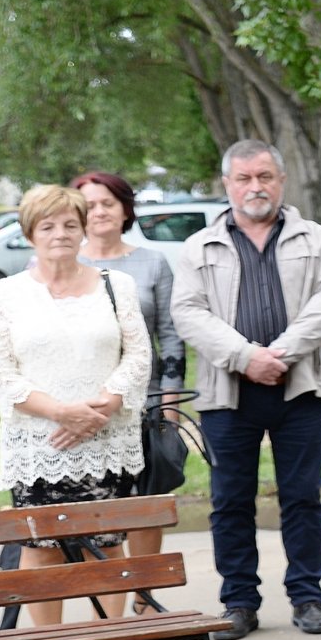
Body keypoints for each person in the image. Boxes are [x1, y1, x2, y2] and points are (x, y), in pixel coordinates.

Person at [171, 140, 321, 639]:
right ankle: (239, 602)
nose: (256, 187)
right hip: (228, 394)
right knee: (230, 499)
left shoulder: (316, 240)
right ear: (227, 184)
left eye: (265, 176)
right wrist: (245, 357)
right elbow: (188, 312)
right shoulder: (199, 247)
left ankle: (307, 597)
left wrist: (282, 354)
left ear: (282, 180)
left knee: (302, 496)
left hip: (302, 389)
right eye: (245, 178)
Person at [0, 184, 151, 640]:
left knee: (107, 548)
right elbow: (1, 374)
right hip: (41, 445)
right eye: (48, 225)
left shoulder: (114, 285)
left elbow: (138, 354)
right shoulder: (5, 294)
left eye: (70, 224)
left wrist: (100, 409)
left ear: (84, 229)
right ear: (31, 233)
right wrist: (61, 412)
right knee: (43, 552)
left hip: (108, 438)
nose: (60, 234)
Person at [73, 171, 187, 570]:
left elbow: (171, 339)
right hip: (82, 403)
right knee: (92, 500)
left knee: (143, 500)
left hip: (145, 400)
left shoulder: (153, 263)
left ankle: (143, 593)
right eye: (89, 205)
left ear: (125, 208)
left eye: (108, 203)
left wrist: (169, 406)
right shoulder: (63, 262)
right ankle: (106, 590)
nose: (99, 212)